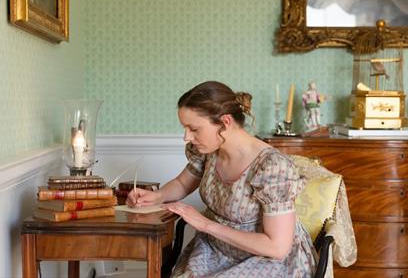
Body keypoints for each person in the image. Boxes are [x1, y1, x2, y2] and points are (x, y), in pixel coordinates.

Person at [127, 81, 317, 277]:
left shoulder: (272, 166)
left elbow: (277, 248)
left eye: (194, 129)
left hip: (266, 260)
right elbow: (183, 183)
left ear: (225, 122)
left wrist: (205, 224)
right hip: (216, 250)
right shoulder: (208, 151)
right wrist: (157, 196)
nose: (186, 137)